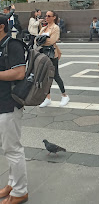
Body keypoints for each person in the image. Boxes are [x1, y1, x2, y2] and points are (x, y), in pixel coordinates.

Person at [0, 16, 28, 204]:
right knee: (7, 148)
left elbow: (19, 72)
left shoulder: (13, 45)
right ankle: (12, 183)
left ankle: (20, 192)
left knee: (12, 149)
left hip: (9, 104)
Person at [39, 11, 70, 108]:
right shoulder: (44, 28)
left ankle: (64, 95)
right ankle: (47, 97)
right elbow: (37, 39)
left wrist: (42, 40)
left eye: (49, 16)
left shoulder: (55, 28)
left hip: (52, 54)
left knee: (55, 75)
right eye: (46, 16)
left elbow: (52, 41)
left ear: (54, 17)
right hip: (43, 53)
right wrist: (42, 40)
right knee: (44, 76)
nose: (46, 17)